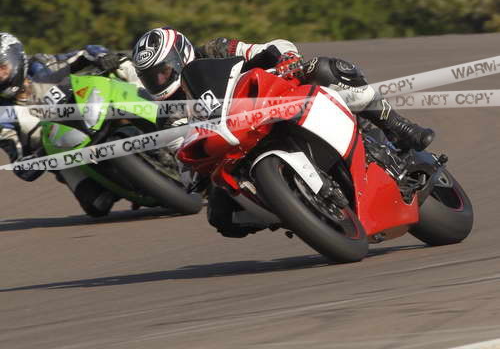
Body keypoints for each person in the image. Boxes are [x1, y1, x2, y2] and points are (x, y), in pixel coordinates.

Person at [131, 27, 435, 235]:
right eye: (151, 78)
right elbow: (181, 158)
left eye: (163, 71)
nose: (159, 81)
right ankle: (293, 210)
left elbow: (270, 47)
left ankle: (397, 126)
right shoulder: (167, 114)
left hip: (273, 100)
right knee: (222, 218)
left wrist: (286, 60)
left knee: (324, 69)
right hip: (234, 147)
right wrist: (196, 170)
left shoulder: (215, 50)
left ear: (180, 54)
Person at [0, 32, 138, 216]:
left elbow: (85, 53)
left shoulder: (42, 65)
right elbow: (20, 167)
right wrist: (37, 157)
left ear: (16, 60)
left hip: (95, 113)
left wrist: (102, 56)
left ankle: (164, 113)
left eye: (2, 68)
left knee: (122, 64)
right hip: (68, 155)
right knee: (97, 205)